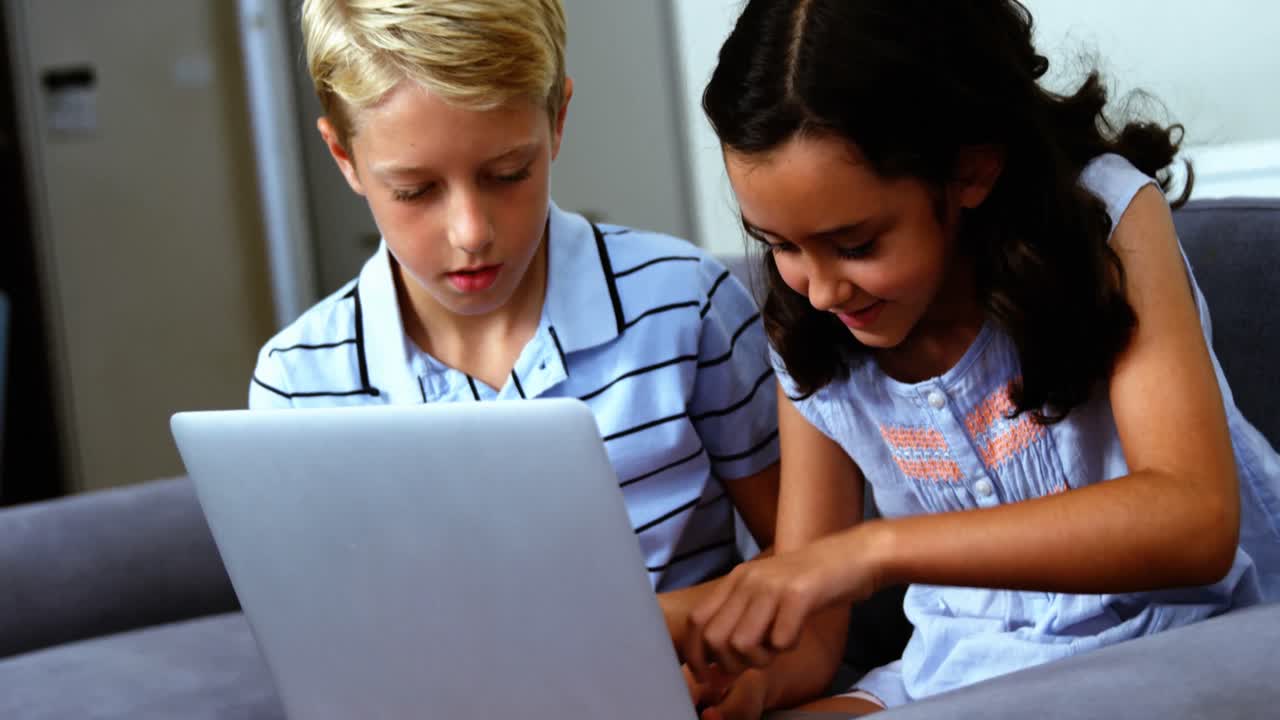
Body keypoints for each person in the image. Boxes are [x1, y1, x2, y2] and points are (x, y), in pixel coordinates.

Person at [682, 0, 1280, 715]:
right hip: (958, 668)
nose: (818, 289)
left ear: (971, 168)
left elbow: (1195, 520)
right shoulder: (813, 333)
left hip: (1179, 637)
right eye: (779, 245)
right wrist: (754, 684)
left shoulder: (1104, 224)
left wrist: (875, 550)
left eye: (857, 244)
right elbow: (815, 637)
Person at [249, 0, 781, 654]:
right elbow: (328, 645)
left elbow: (803, 563)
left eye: (508, 175)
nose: (471, 233)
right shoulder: (298, 382)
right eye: (415, 191)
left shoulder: (684, 306)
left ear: (558, 119)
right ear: (344, 156)